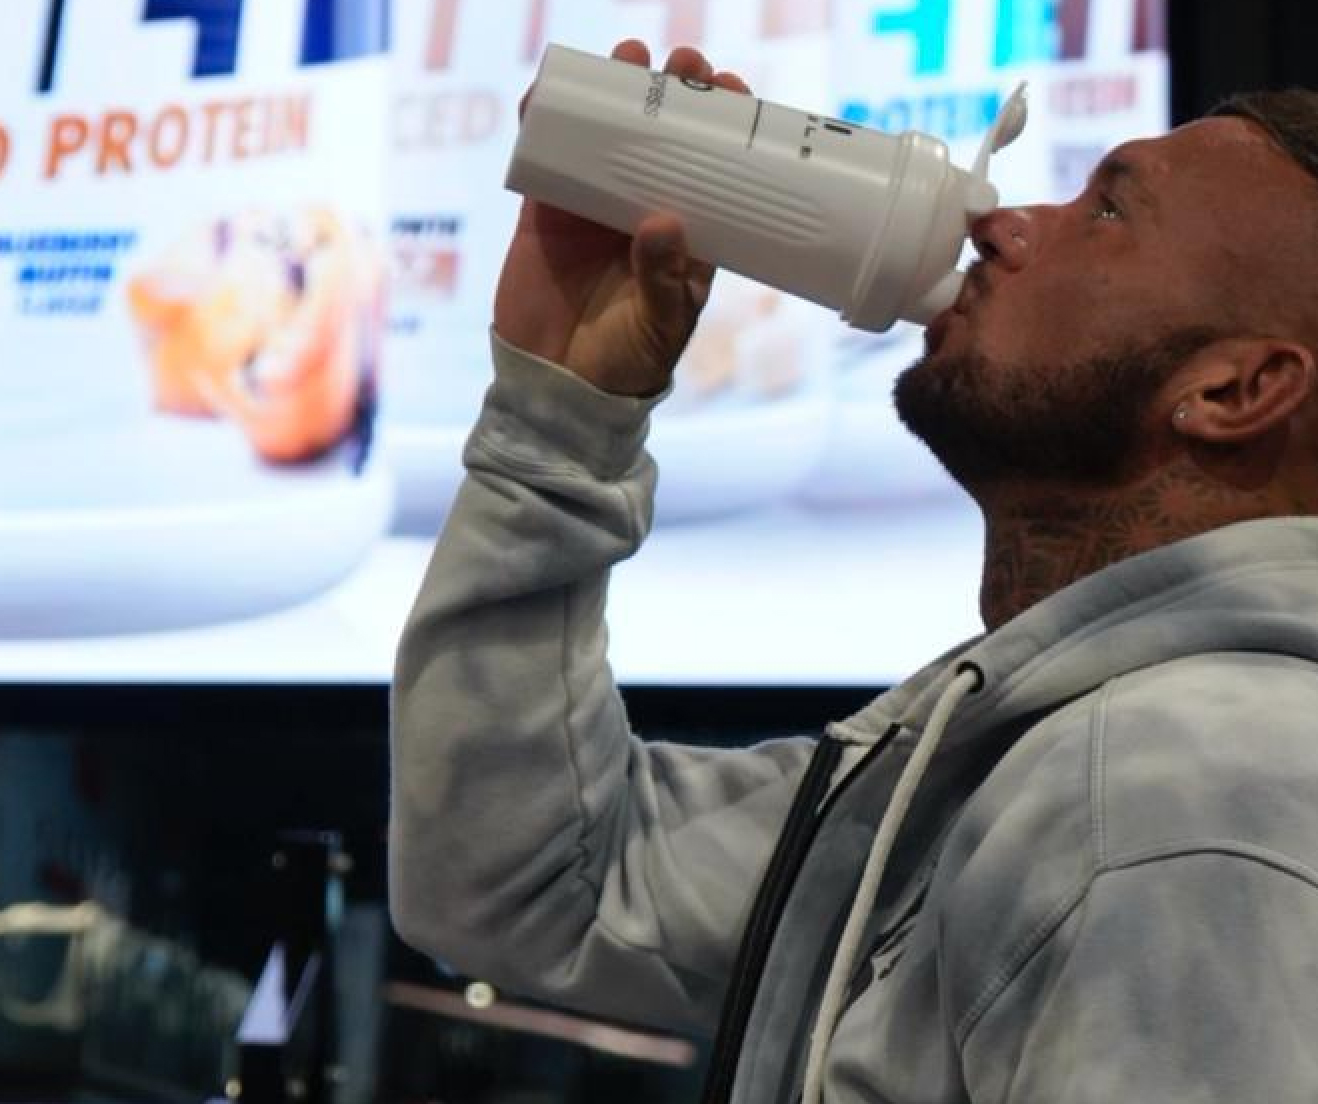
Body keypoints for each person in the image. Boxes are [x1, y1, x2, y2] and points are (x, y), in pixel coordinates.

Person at [389, 36, 1318, 1104]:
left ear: (1236, 389)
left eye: (1107, 211)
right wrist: (559, 421)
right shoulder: (1047, 762)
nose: (1005, 225)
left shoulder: (1174, 797)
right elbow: (530, 885)